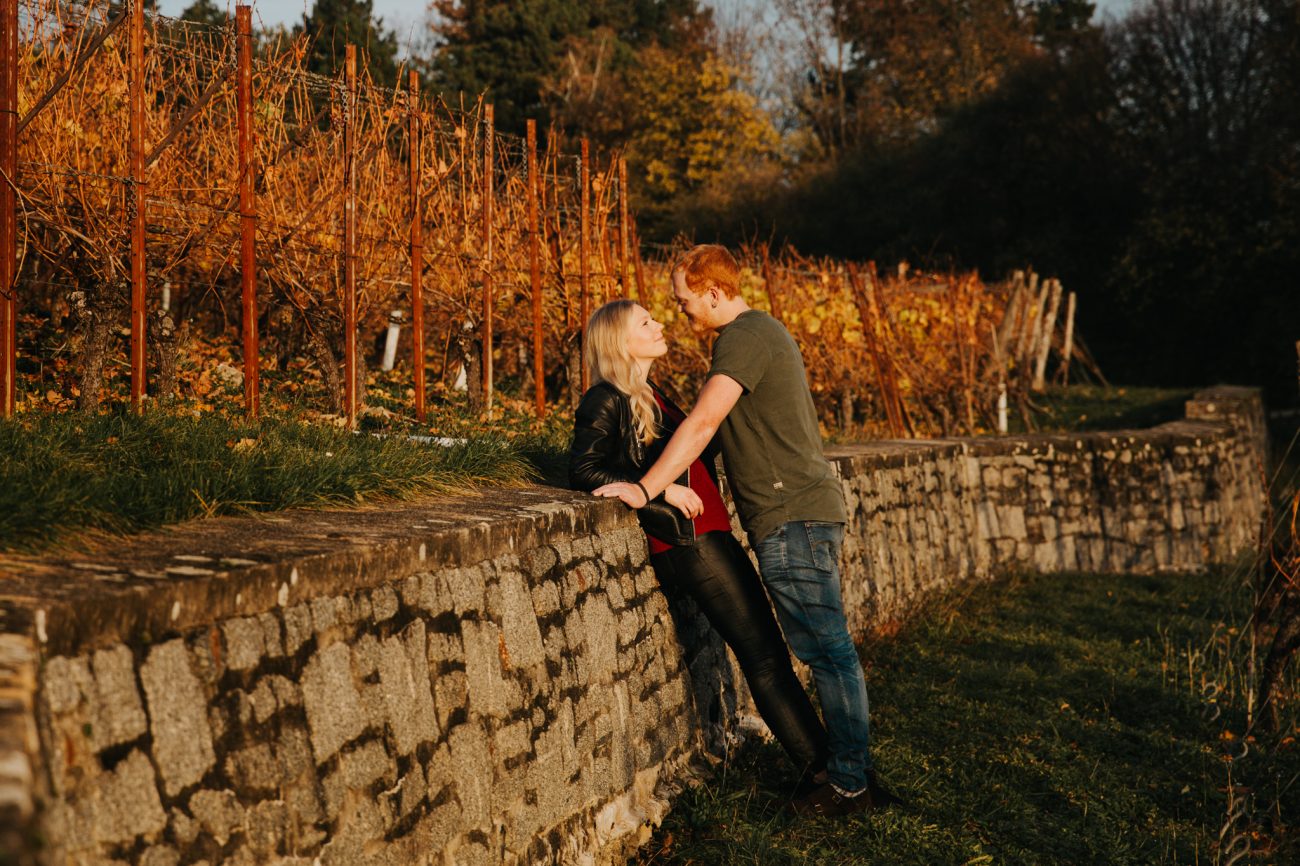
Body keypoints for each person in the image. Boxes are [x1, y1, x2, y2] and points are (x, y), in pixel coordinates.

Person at [593, 245, 895, 818]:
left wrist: (643, 488)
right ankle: (855, 780)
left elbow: (704, 422)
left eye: (684, 300)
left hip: (793, 519)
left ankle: (850, 786)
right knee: (828, 652)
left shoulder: (745, 337)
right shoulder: (756, 335)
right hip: (795, 516)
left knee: (828, 655)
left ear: (713, 292)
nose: (680, 312)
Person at [569, 298, 829, 782]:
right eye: (645, 322)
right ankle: (823, 776)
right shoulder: (605, 398)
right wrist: (657, 488)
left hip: (711, 533)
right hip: (690, 544)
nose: (660, 323)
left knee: (770, 656)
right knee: (766, 661)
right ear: (619, 341)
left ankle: (831, 769)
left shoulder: (651, 394)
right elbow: (584, 469)